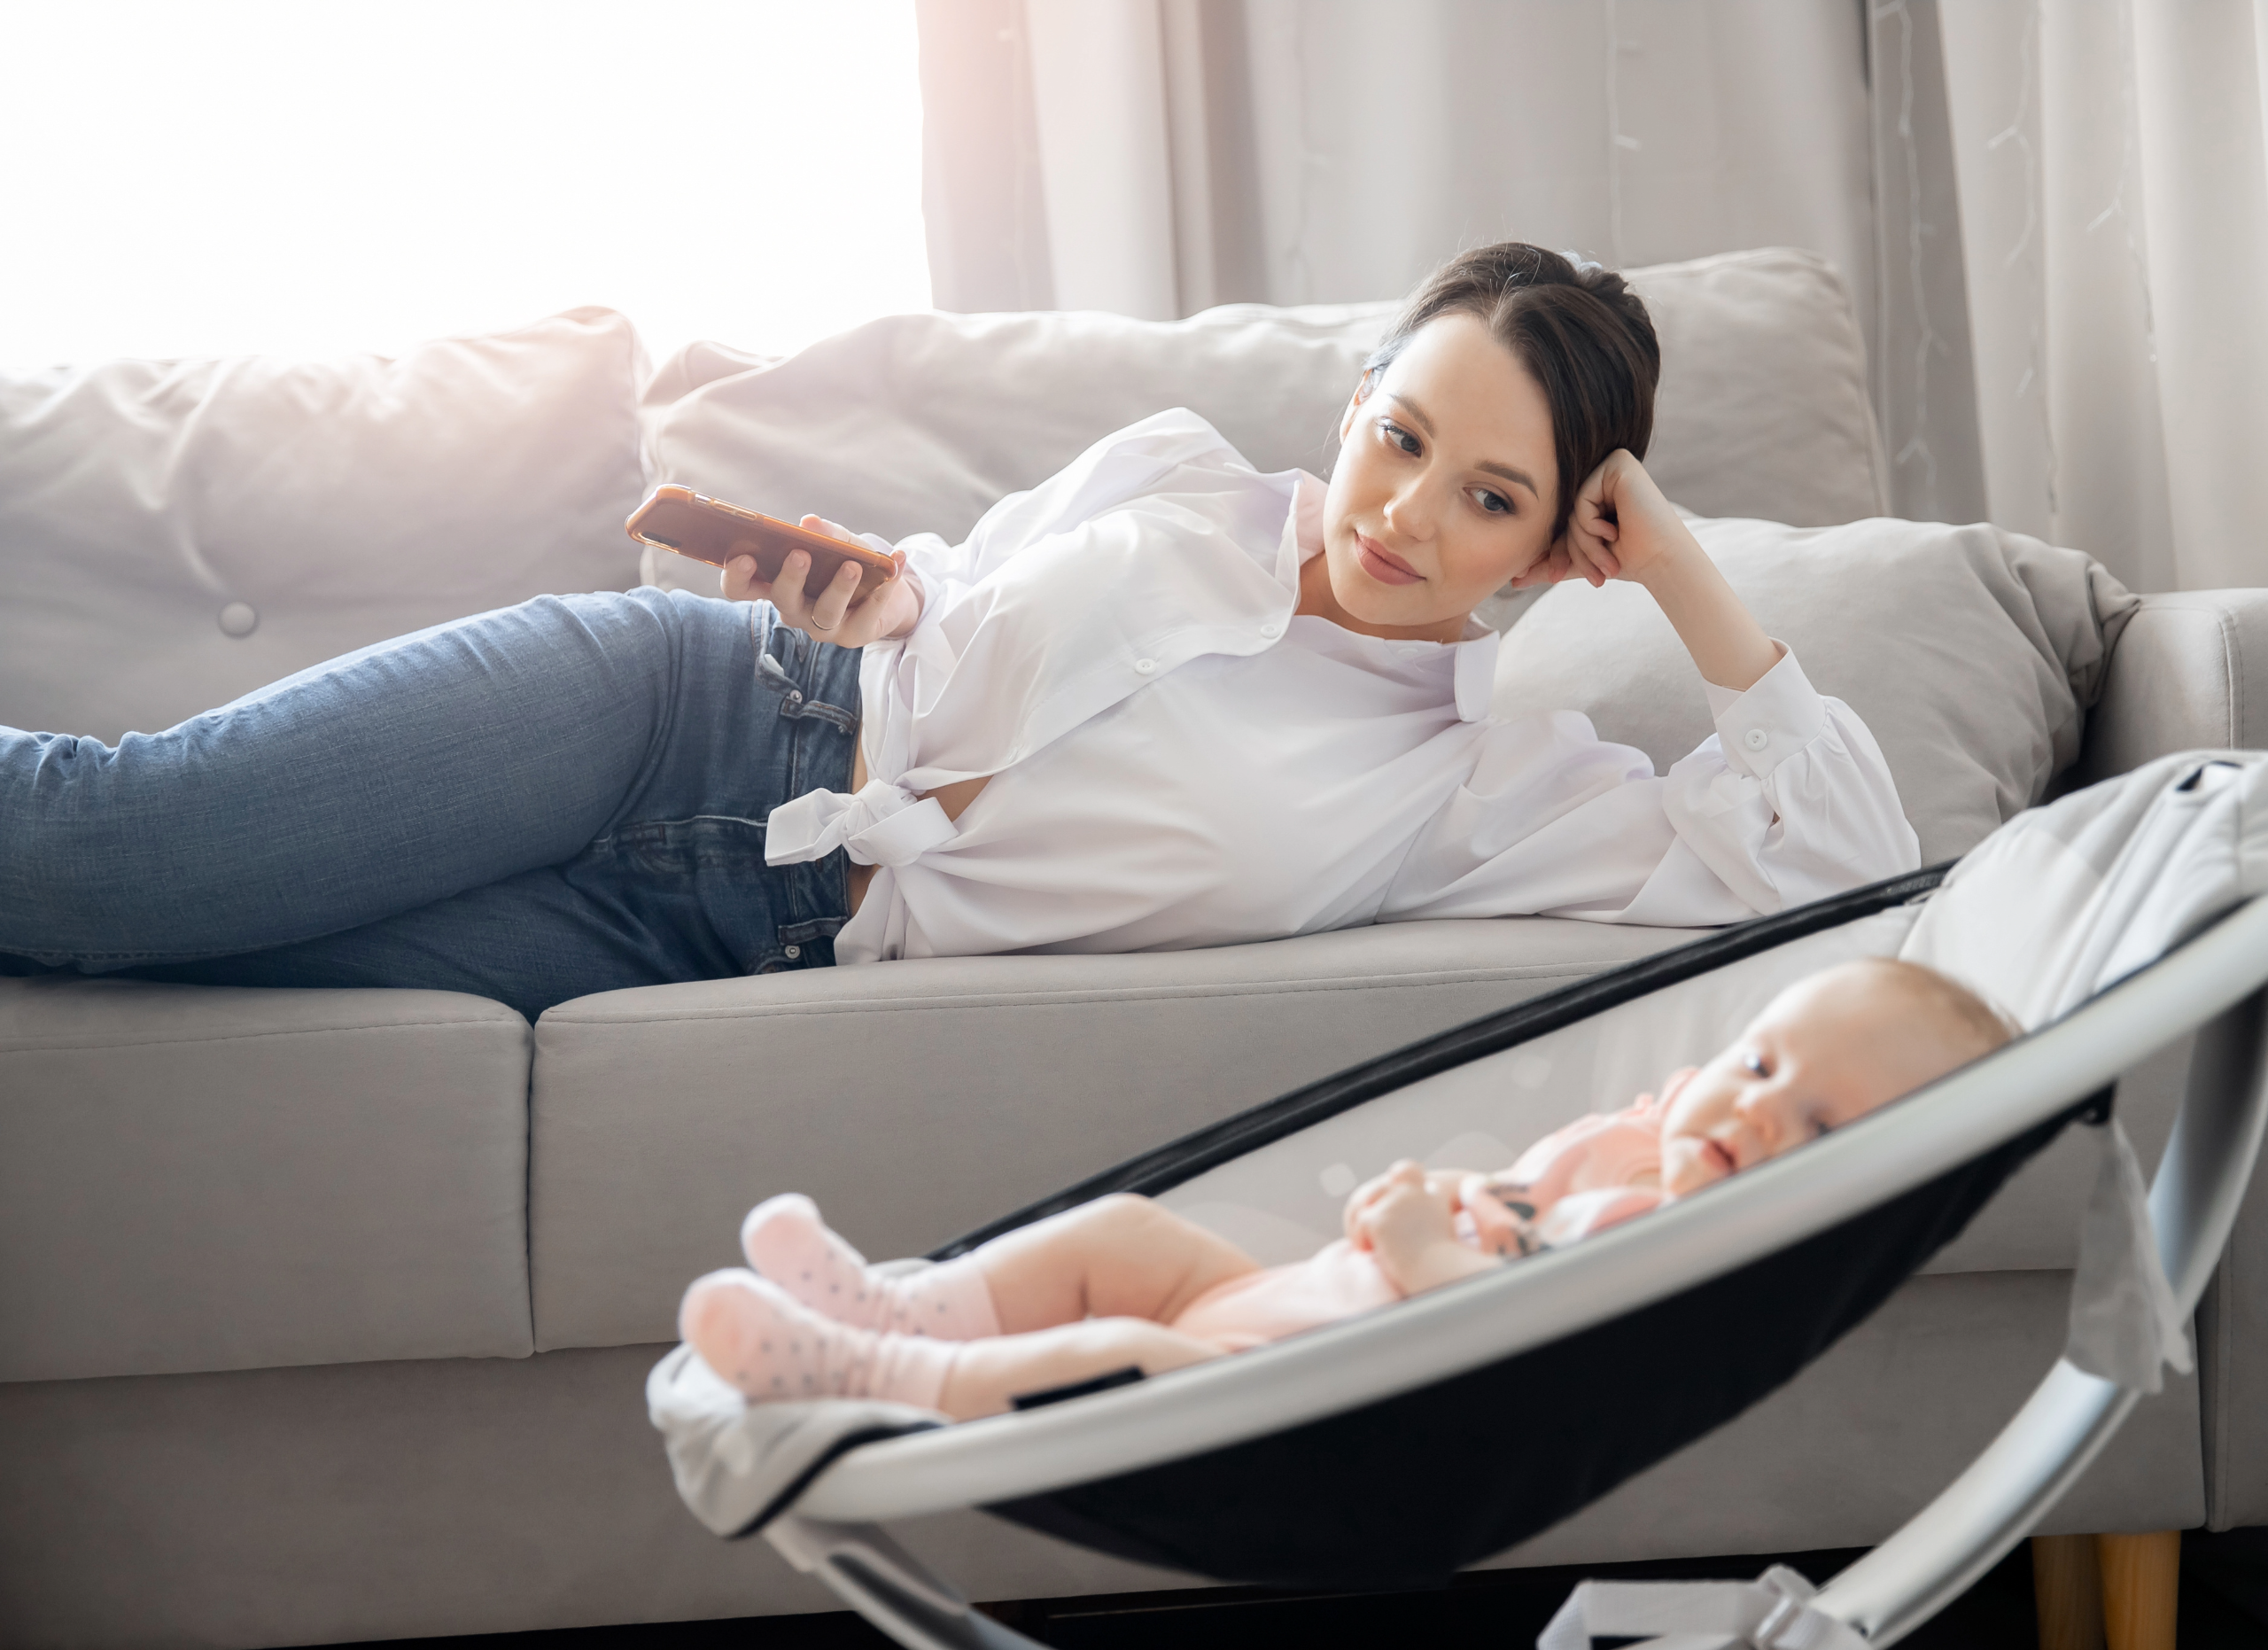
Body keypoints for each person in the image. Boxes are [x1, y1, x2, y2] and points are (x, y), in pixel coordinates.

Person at [1, 245, 1918, 1021]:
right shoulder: (1172, 477)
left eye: (1490, 498)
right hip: (684, 709)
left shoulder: (1485, 786)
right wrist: (877, 592)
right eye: (1400, 438)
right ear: (1351, 408)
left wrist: (1669, 557)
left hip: (724, 928)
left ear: (1552, 544)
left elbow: (1840, 858)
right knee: (107, 843)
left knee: (132, 972)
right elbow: (950, 607)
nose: (1406, 514)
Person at [679, 958, 2014, 1418]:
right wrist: (1437, 1192)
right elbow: (1513, 1195)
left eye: (1823, 1118)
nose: (1762, 1106)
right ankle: (912, 1310)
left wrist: (1434, 1244)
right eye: (1761, 1059)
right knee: (1124, 1236)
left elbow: (1525, 1346)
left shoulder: (1693, 1249)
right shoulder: (1645, 1149)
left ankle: (872, 1375)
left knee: (1121, 1352)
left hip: (1303, 1387)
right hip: (1281, 1296)